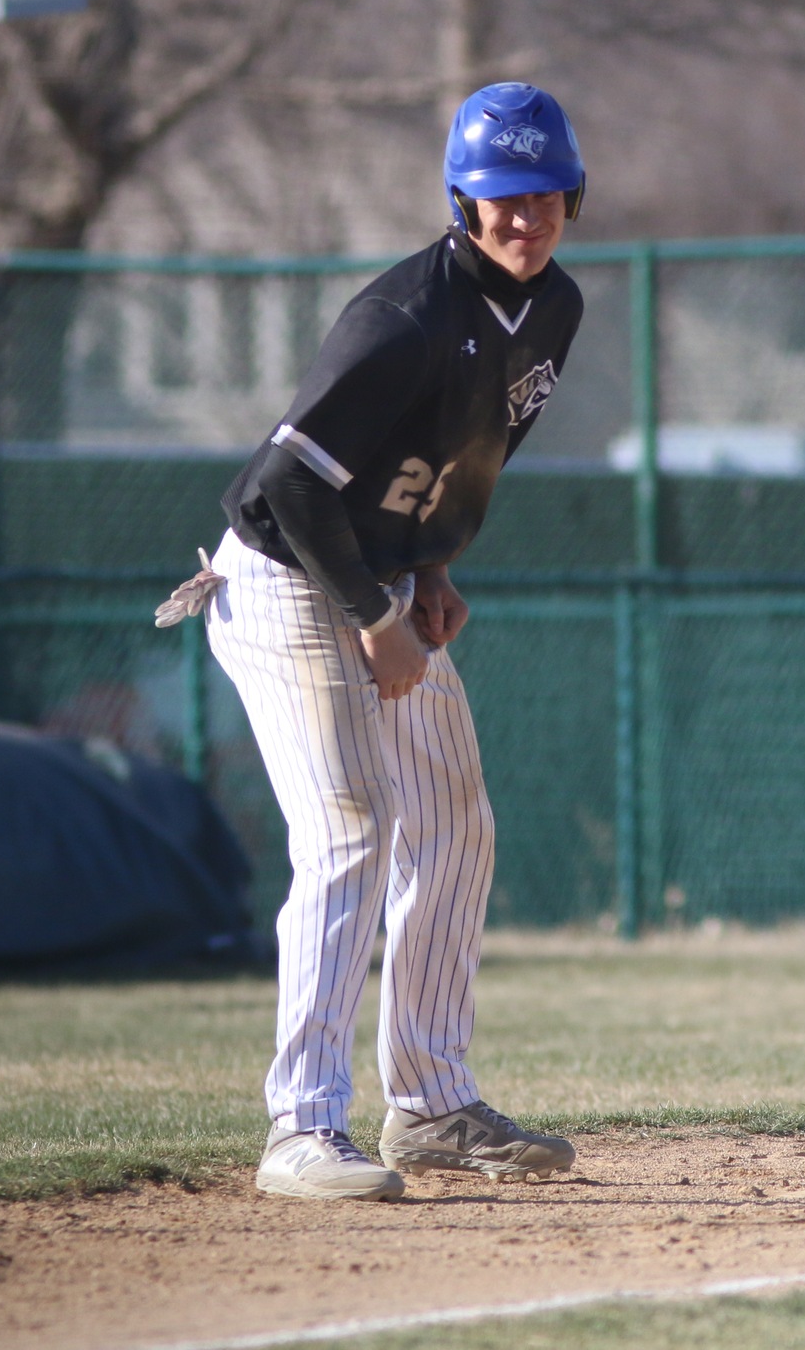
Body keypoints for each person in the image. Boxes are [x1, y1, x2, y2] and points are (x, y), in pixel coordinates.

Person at [197, 82, 587, 1200]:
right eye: (500, 199)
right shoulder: (402, 319)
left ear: (572, 195)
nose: (524, 218)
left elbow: (462, 458)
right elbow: (278, 489)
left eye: (543, 194)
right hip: (280, 574)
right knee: (353, 823)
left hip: (377, 572)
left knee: (454, 817)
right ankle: (300, 1126)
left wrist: (428, 572)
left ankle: (430, 1103)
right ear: (462, 201)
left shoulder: (550, 309)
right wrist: (374, 617)